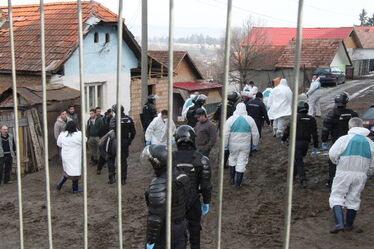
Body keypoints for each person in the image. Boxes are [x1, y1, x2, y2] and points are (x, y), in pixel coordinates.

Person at [328, 117, 374, 234]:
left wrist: (337, 162)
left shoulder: (344, 139)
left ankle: (339, 223)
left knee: (337, 195)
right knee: (354, 197)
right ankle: (349, 224)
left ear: (350, 126)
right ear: (362, 126)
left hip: (344, 172)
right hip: (361, 174)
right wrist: (368, 172)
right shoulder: (370, 143)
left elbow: (332, 154)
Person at [143, 144, 190, 249]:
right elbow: (187, 201)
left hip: (166, 231)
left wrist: (150, 241)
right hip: (181, 226)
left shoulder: (159, 184)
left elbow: (155, 219)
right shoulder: (181, 175)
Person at [174, 125, 212, 249]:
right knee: (195, 231)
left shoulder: (169, 158)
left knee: (178, 234)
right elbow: (206, 186)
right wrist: (206, 202)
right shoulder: (202, 159)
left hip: (175, 202)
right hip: (193, 200)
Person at [321, 92, 358, 187]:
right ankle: (349, 181)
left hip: (337, 141)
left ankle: (332, 181)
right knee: (349, 161)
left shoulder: (332, 114)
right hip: (350, 141)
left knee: (333, 160)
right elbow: (357, 126)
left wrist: (324, 140)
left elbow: (325, 129)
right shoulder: (352, 114)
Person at [281, 101, 319, 188]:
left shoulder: (295, 118)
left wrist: (283, 139)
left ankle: (303, 179)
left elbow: (288, 130)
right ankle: (292, 176)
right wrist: (316, 145)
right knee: (298, 159)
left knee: (299, 161)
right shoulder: (311, 119)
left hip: (295, 143)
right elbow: (315, 133)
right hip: (306, 144)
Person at [224, 103, 260, 188]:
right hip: (245, 145)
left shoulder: (230, 119)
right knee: (242, 162)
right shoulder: (249, 119)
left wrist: (225, 144)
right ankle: (238, 183)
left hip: (233, 145)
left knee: (232, 158)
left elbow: (225, 134)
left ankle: (231, 178)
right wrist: (255, 144)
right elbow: (255, 133)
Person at [109, 104, 136, 185]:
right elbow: (133, 132)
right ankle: (123, 179)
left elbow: (111, 131)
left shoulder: (114, 119)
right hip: (125, 142)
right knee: (123, 161)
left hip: (115, 142)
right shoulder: (129, 119)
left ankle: (112, 178)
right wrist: (129, 140)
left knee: (111, 159)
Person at [56, 121, 85, 193]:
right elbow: (85, 140)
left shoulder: (62, 135)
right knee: (75, 172)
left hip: (66, 155)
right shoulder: (79, 134)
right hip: (75, 156)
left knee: (67, 171)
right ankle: (75, 189)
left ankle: (60, 183)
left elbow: (59, 143)